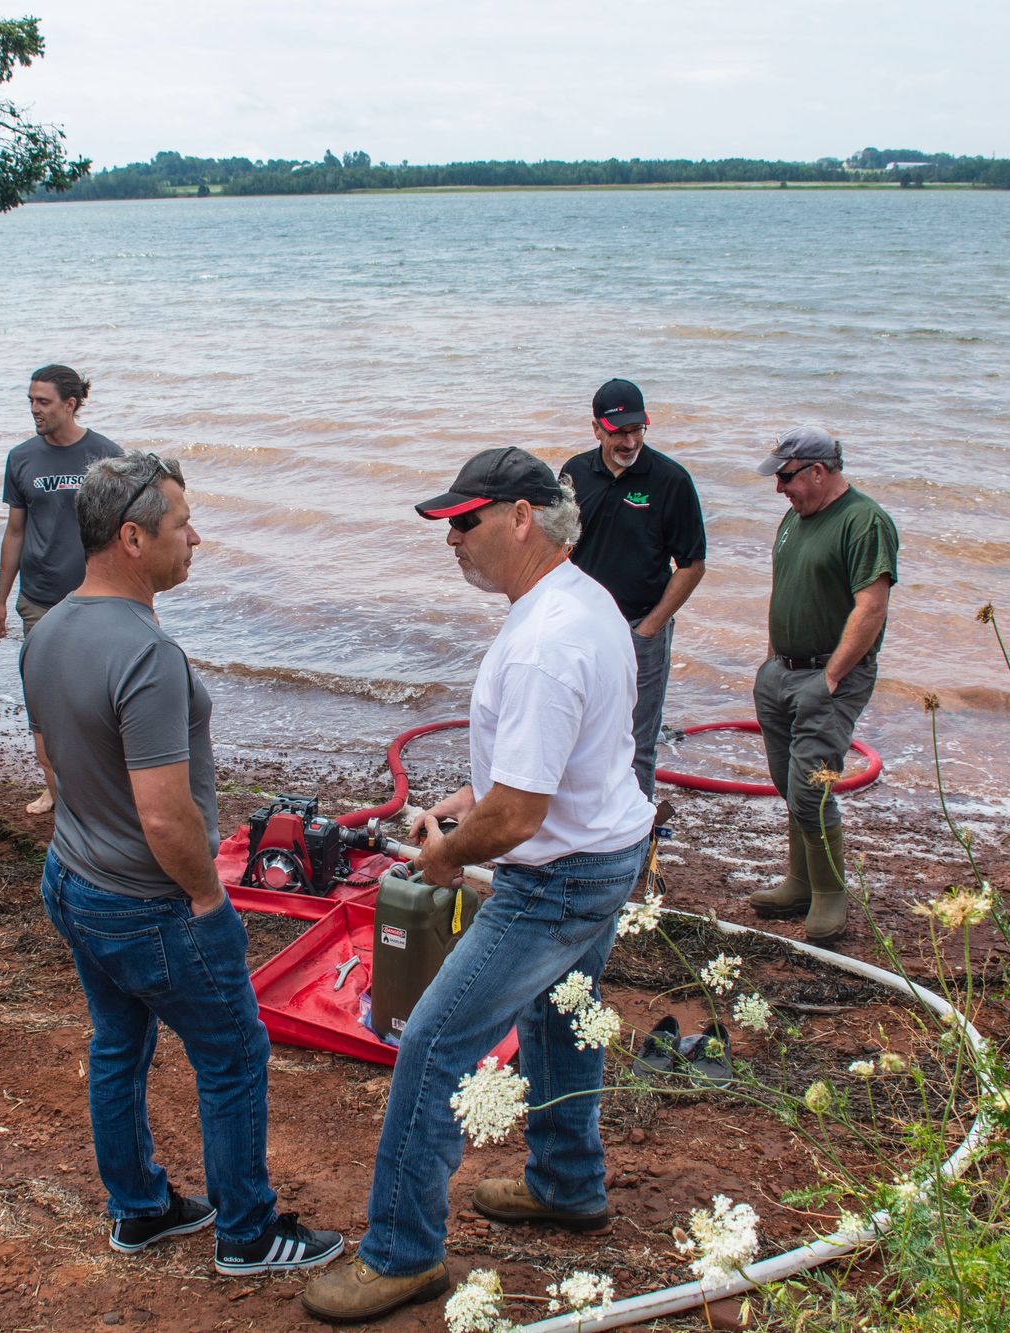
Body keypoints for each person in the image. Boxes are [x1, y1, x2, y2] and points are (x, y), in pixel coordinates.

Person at [302, 447, 655, 1324]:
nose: (451, 538)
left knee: (430, 1045)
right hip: (608, 855)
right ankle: (569, 1184)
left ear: (522, 517)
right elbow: (548, 767)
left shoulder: (542, 641)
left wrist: (446, 856)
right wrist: (463, 803)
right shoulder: (582, 599)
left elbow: (526, 814)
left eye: (466, 521)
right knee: (562, 1013)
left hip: (557, 880)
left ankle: (401, 1253)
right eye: (447, 524)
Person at [21, 451, 344, 1278]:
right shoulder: (146, 655)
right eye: (180, 525)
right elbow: (166, 815)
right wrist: (208, 897)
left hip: (73, 876)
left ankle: (139, 1207)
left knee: (117, 1042)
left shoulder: (49, 627)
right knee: (234, 1055)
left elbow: (54, 760)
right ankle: (247, 1231)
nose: (196, 538)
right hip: (148, 902)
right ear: (131, 537)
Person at [746, 426, 899, 944]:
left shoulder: (864, 521)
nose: (779, 488)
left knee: (812, 786)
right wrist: (770, 665)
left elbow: (871, 607)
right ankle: (799, 882)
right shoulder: (794, 518)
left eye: (787, 477)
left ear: (818, 471)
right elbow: (786, 591)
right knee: (787, 779)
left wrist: (830, 678)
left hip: (829, 676)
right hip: (782, 671)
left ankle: (831, 894)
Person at [559, 377, 708, 798]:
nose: (628, 441)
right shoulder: (573, 473)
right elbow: (558, 546)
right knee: (576, 731)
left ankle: (635, 846)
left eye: (636, 430)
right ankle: (582, 829)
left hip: (641, 625)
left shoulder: (670, 480)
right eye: (618, 431)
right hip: (581, 628)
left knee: (638, 745)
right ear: (596, 429)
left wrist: (649, 629)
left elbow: (692, 565)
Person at [0, 364, 124, 816]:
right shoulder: (22, 457)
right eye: (30, 400)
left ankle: (104, 787)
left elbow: (128, 531)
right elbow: (14, 532)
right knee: (44, 700)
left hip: (98, 599)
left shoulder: (106, 455)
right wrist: (1, 599)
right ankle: (54, 789)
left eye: (43, 401)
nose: (34, 409)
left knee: (101, 696)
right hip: (40, 599)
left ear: (71, 403)